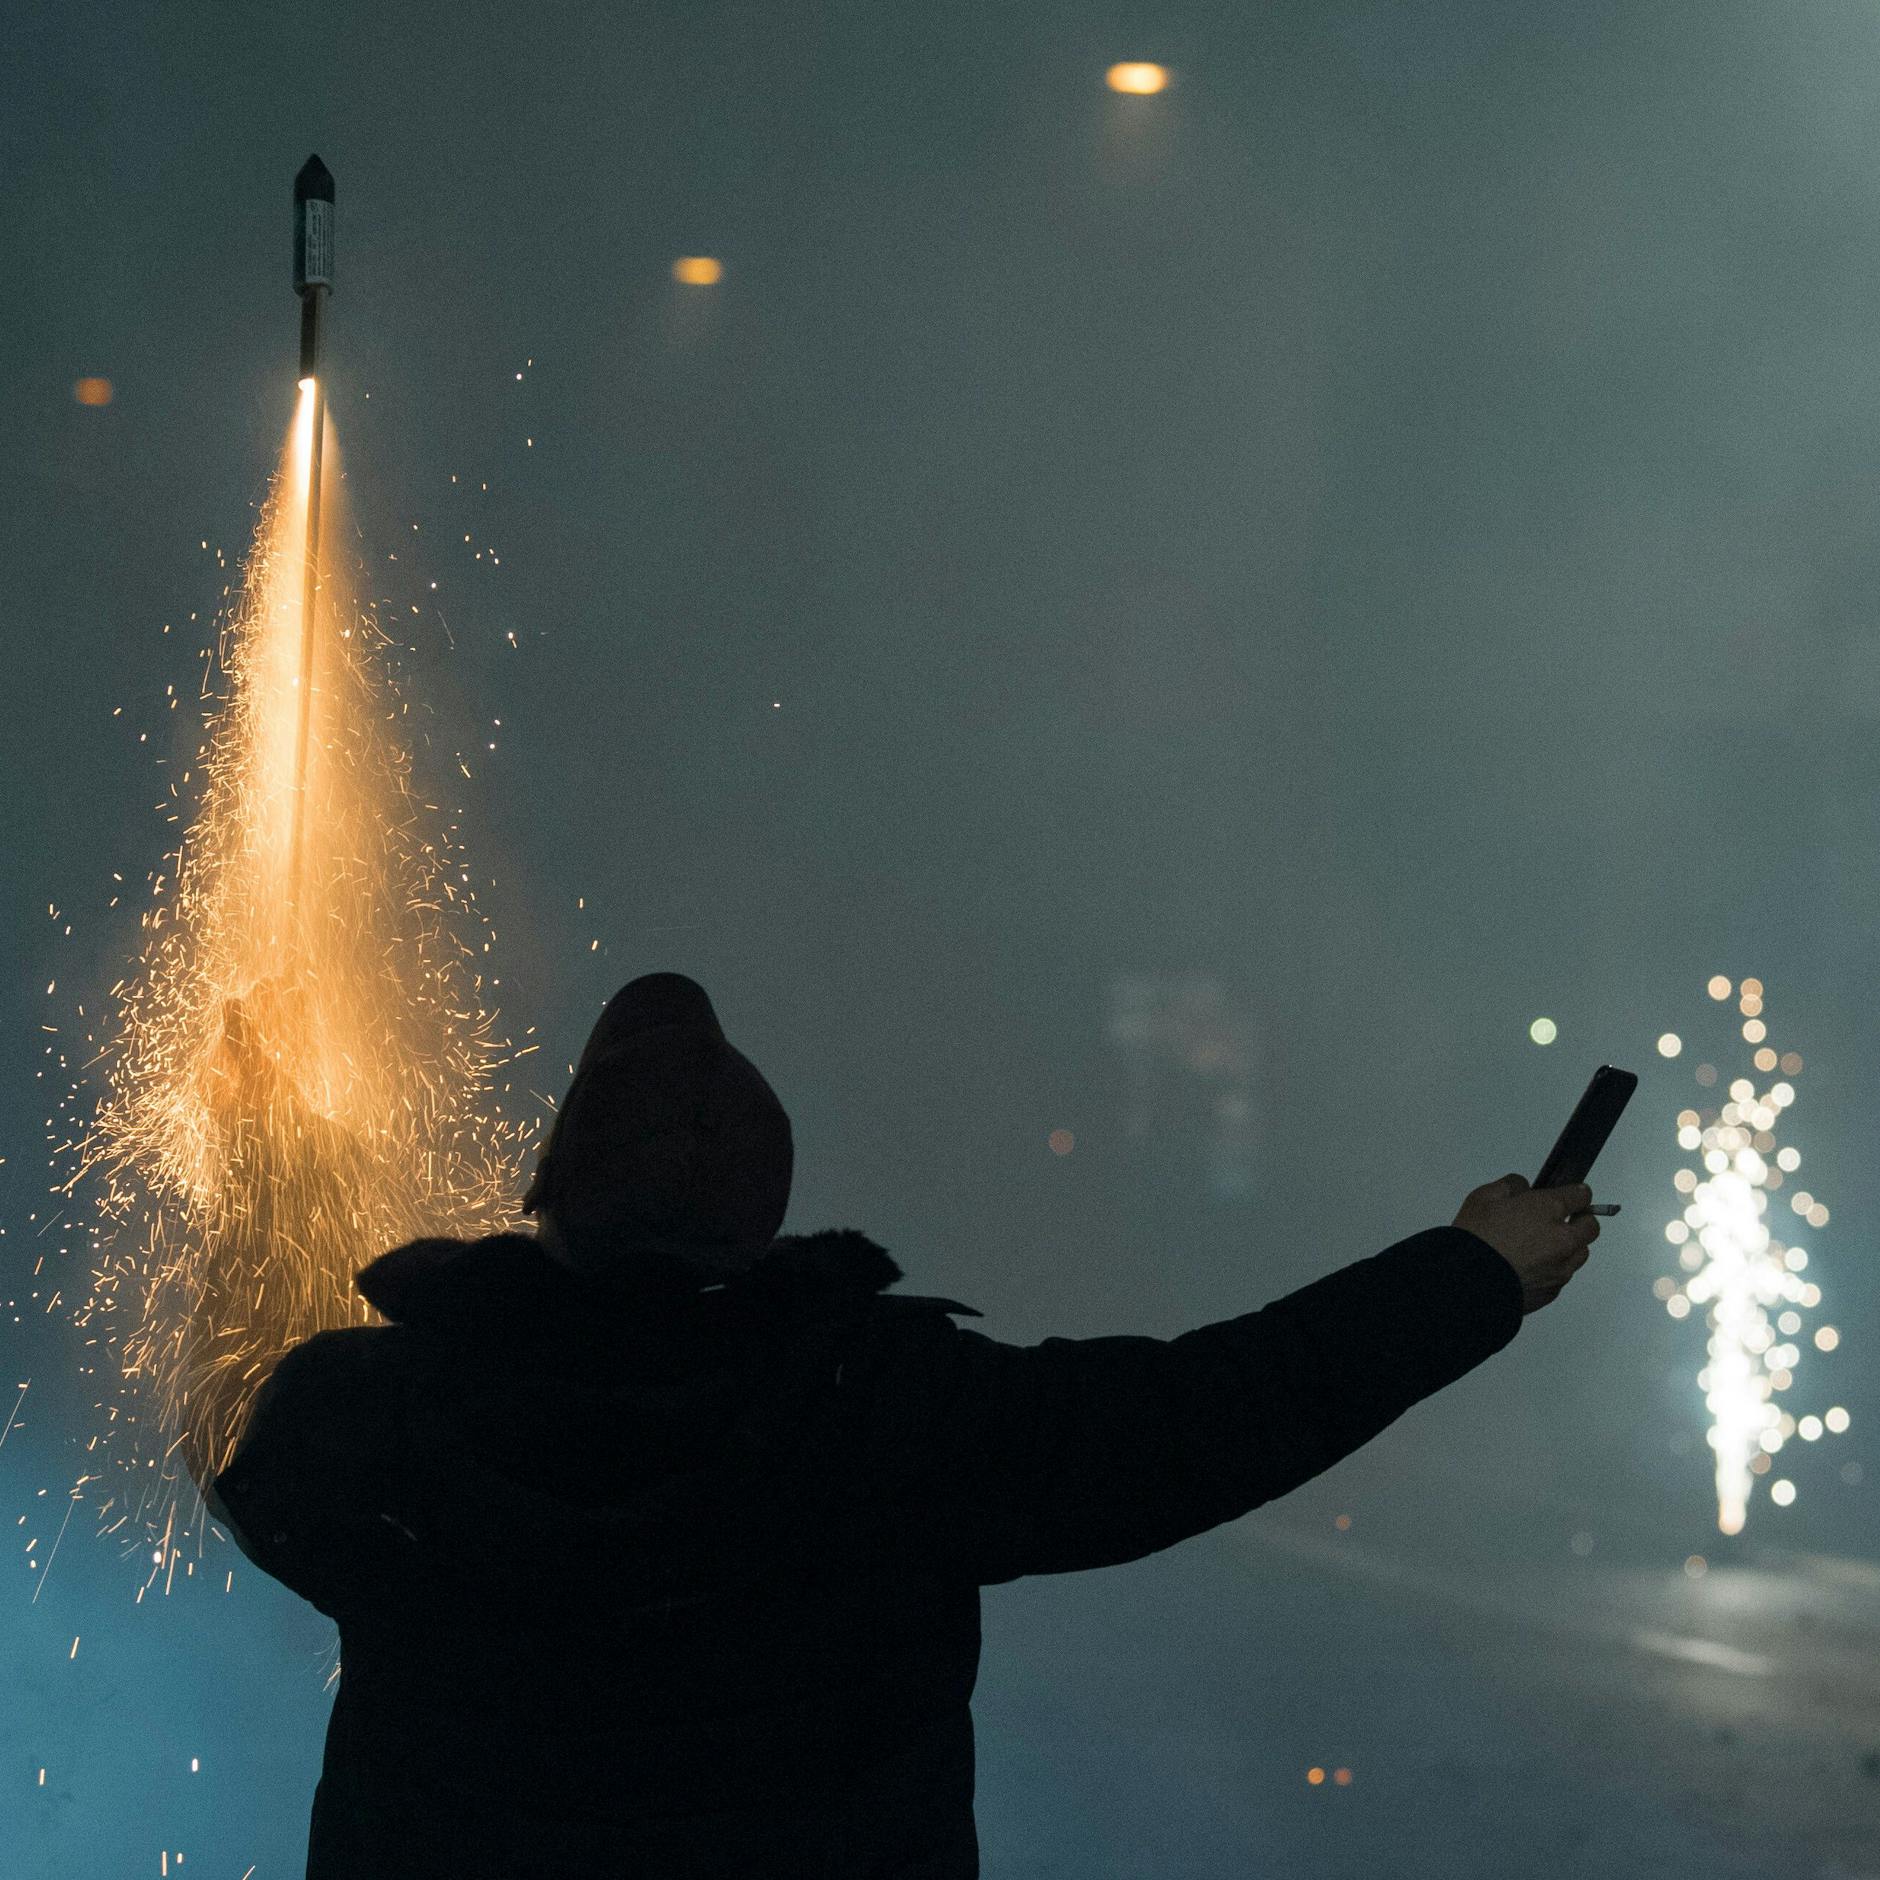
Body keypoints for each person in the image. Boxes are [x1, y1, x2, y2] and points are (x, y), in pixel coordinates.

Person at [204, 970, 1601, 1878]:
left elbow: (236, 1436)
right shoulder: (884, 1409)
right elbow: (1202, 1417)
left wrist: (260, 1169)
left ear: (548, 1190)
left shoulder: (377, 1409)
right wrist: (1470, 1274)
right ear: (764, 1212)